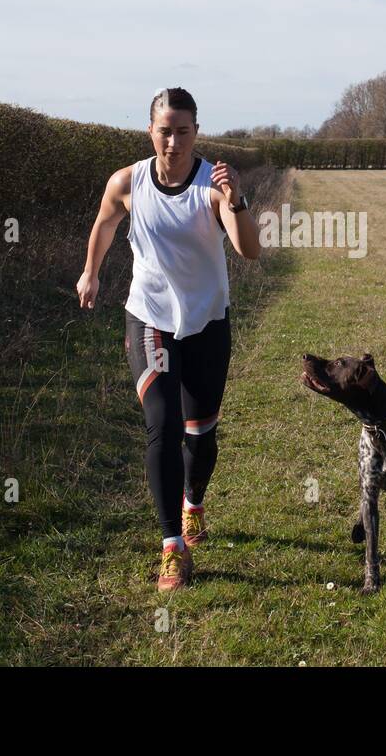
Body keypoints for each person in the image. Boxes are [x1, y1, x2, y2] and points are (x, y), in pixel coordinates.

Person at [76, 88, 261, 590]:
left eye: (183, 131)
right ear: (150, 131)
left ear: (196, 132)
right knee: (162, 423)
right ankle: (172, 548)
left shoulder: (214, 185)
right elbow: (104, 223)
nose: (173, 141)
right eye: (164, 130)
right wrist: (91, 272)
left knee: (200, 434)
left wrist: (237, 199)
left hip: (206, 322)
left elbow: (249, 251)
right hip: (150, 318)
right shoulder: (127, 181)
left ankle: (193, 504)